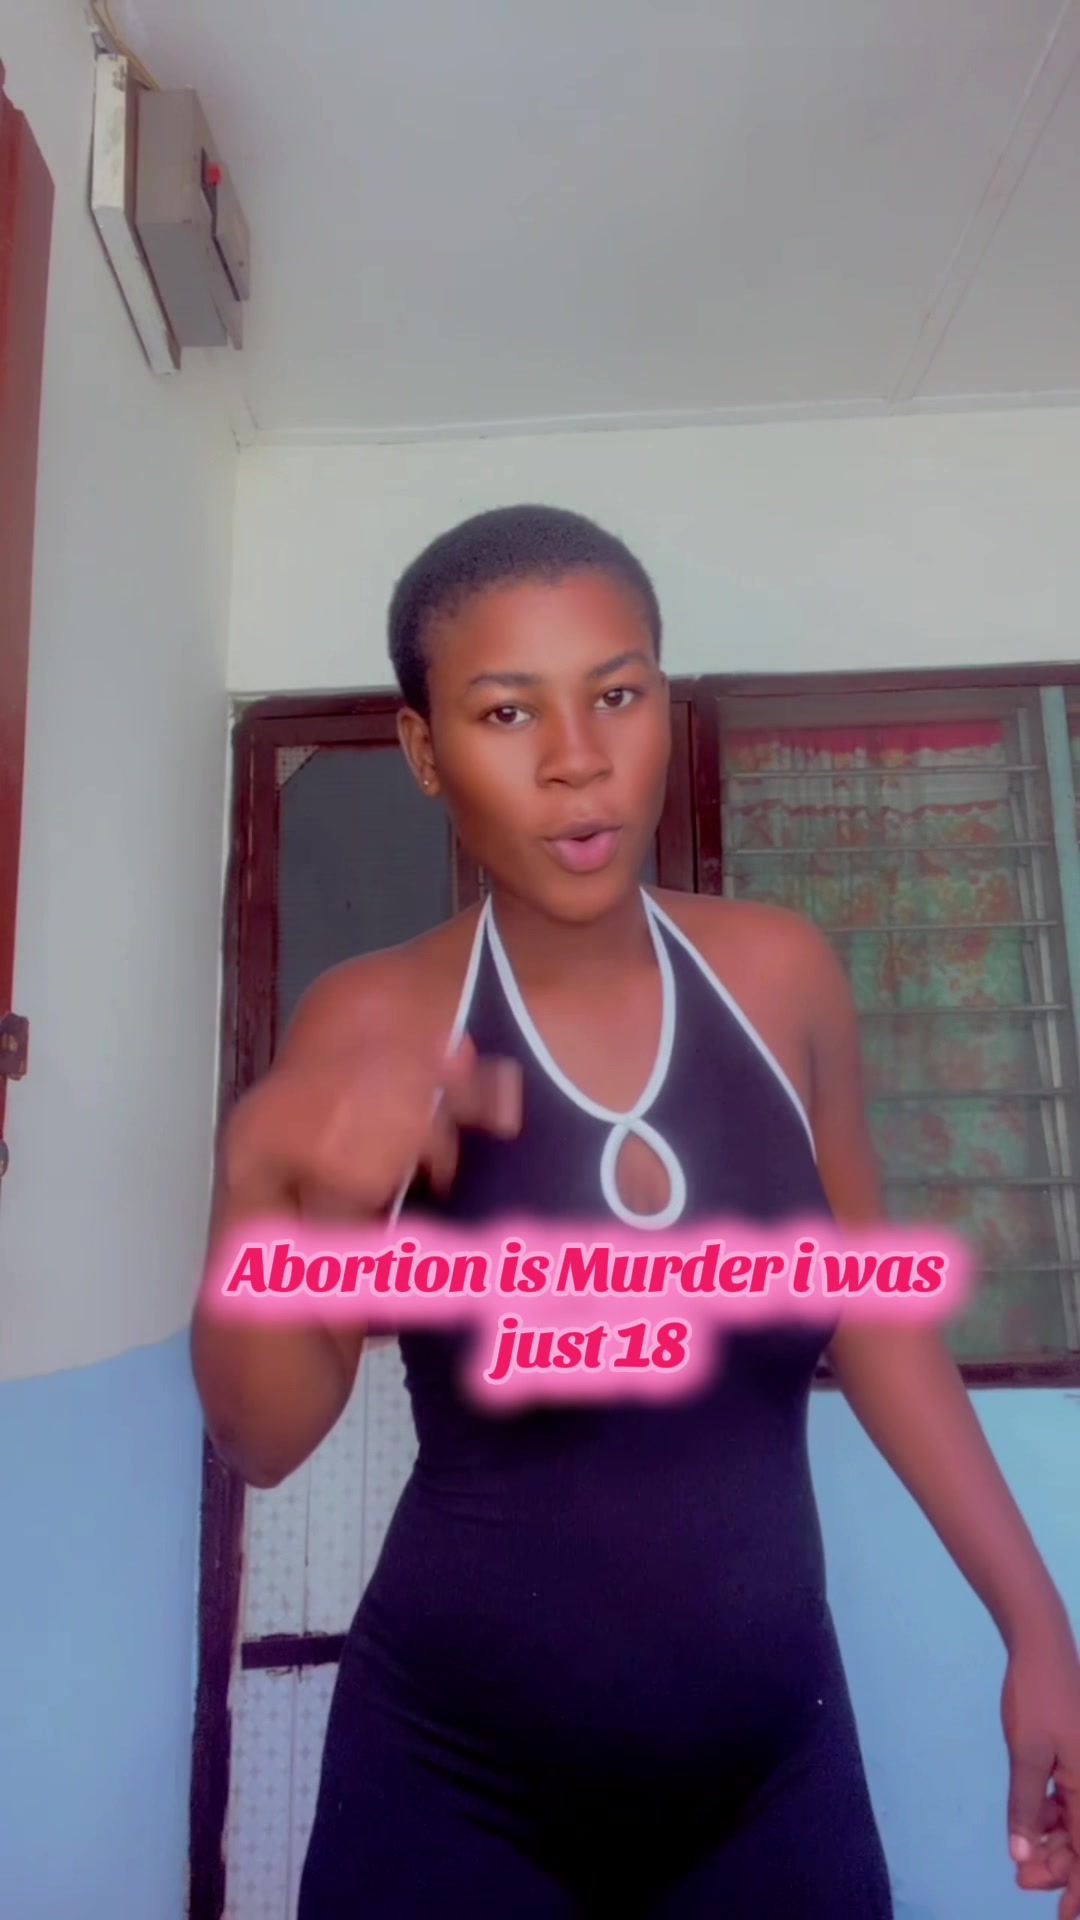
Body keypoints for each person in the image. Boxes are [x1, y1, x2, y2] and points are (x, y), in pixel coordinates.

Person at [191, 505, 1080, 1919]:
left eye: (616, 694)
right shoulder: (377, 1020)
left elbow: (875, 1320)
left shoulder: (780, 980)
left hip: (771, 1775)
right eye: (506, 711)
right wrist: (264, 1199)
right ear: (425, 749)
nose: (576, 758)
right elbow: (267, 1439)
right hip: (451, 1784)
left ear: (664, 702)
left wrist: (1038, 1627)